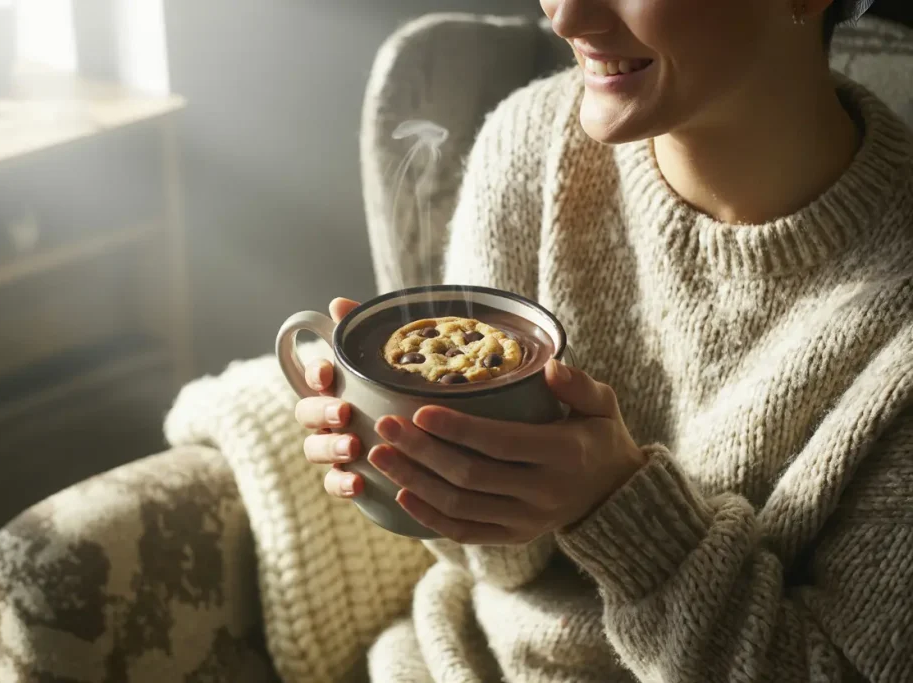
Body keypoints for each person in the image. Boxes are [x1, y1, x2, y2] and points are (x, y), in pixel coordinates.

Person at [295, 0, 913, 680]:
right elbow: (498, 571)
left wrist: (619, 511)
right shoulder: (528, 147)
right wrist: (415, 466)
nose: (565, 16)